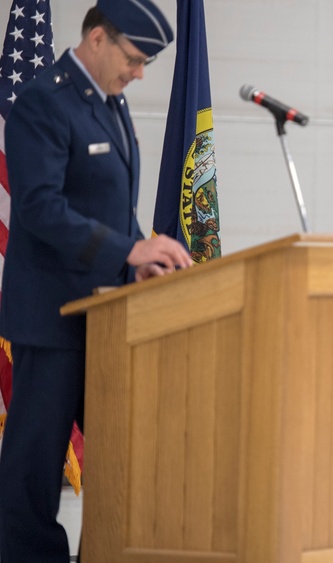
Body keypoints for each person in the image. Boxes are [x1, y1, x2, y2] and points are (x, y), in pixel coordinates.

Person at [0, 1, 192, 560]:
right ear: (99, 40)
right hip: (52, 317)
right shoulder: (43, 100)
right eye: (134, 60)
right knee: (34, 471)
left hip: (106, 317)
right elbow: (38, 207)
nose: (138, 74)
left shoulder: (111, 104)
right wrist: (128, 247)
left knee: (124, 455)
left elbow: (111, 206)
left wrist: (138, 258)